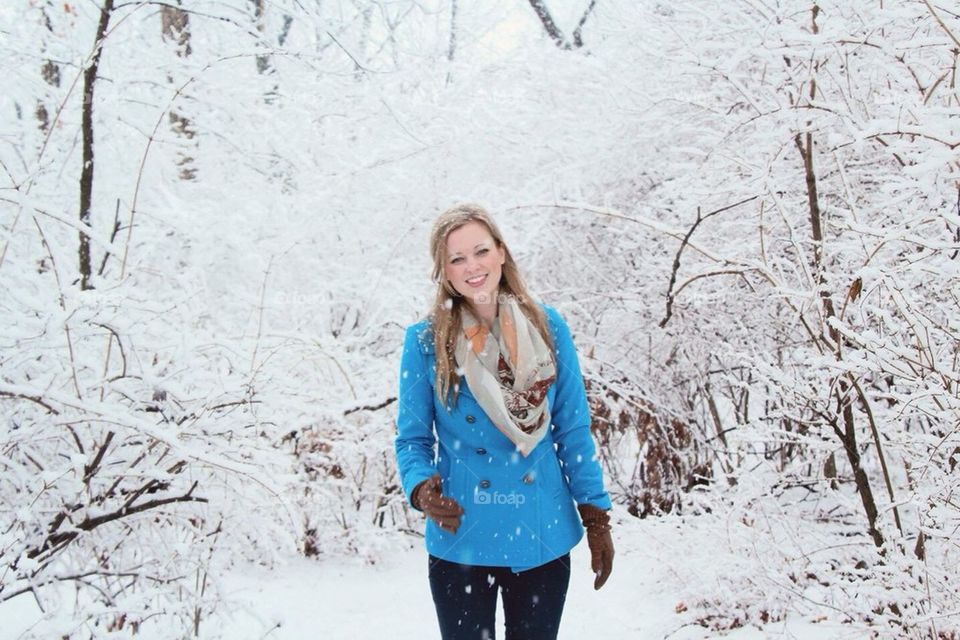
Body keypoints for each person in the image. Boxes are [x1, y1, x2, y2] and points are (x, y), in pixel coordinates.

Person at [394, 203, 614, 640]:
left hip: (540, 529)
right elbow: (413, 439)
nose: (472, 267)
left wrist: (595, 514)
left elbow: (572, 430)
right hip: (463, 532)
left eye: (480, 251)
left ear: (501, 252)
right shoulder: (423, 340)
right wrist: (420, 487)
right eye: (456, 259)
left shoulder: (548, 326)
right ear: (443, 271)